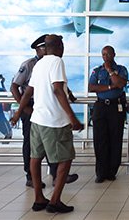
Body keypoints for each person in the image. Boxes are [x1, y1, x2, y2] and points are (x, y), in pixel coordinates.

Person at [14, 34, 83, 214]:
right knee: (65, 159)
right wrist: (73, 118)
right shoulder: (57, 62)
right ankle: (55, 201)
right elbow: (58, 90)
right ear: (59, 46)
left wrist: (17, 113)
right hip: (55, 121)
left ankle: (39, 198)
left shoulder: (40, 63)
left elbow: (28, 92)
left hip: (37, 120)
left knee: (35, 159)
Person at [88, 45, 128, 183]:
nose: (106, 57)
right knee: (100, 140)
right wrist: (111, 86)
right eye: (103, 54)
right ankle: (101, 172)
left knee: (115, 139)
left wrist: (110, 71)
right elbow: (91, 87)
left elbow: (121, 84)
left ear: (114, 54)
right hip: (100, 106)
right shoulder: (96, 70)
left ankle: (112, 171)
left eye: (108, 54)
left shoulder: (121, 69)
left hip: (116, 107)